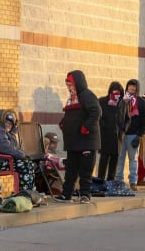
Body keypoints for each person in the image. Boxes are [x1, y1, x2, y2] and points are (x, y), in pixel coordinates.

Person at [54, 69, 101, 204]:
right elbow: (71, 114)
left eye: (70, 85)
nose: (69, 88)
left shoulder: (87, 95)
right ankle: (66, 194)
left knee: (85, 171)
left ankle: (85, 194)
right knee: (71, 170)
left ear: (78, 83)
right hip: (73, 142)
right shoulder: (72, 98)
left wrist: (86, 127)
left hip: (86, 141)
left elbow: (96, 112)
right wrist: (64, 123)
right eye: (67, 85)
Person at [0, 109, 37, 191]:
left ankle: (28, 191)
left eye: (10, 124)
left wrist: (23, 154)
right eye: (6, 122)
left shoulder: (7, 132)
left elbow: (14, 148)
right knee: (25, 164)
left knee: (28, 163)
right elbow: (5, 148)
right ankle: (26, 192)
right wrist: (21, 154)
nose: (8, 125)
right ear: (2, 121)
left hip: (3, 160)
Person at [115, 78, 145, 191]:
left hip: (134, 134)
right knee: (120, 158)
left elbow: (144, 120)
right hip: (122, 134)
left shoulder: (141, 102)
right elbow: (117, 116)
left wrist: (139, 135)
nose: (132, 88)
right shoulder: (122, 101)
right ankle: (118, 180)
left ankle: (133, 181)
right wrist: (123, 103)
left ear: (137, 88)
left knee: (133, 159)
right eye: (130, 86)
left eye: (134, 86)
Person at [97, 81, 123, 181]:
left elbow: (126, 118)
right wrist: (102, 125)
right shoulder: (102, 101)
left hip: (117, 135)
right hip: (105, 134)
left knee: (114, 159)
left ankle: (111, 180)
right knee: (104, 158)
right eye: (114, 91)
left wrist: (123, 128)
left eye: (118, 92)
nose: (116, 94)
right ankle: (100, 179)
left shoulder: (122, 103)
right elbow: (98, 116)